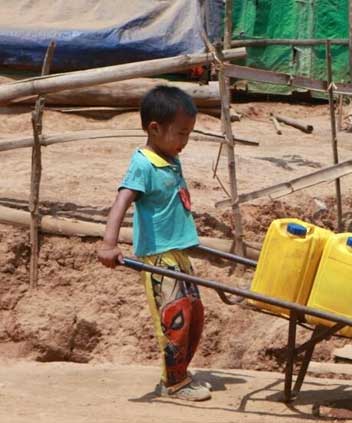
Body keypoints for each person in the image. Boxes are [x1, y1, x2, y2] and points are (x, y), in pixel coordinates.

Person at [97, 86, 210, 401]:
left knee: (195, 314)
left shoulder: (169, 158)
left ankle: (180, 374)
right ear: (155, 129)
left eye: (189, 135)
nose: (185, 142)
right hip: (159, 257)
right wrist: (109, 243)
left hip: (178, 252)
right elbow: (122, 200)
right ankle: (173, 383)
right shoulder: (143, 164)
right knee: (175, 318)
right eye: (181, 134)